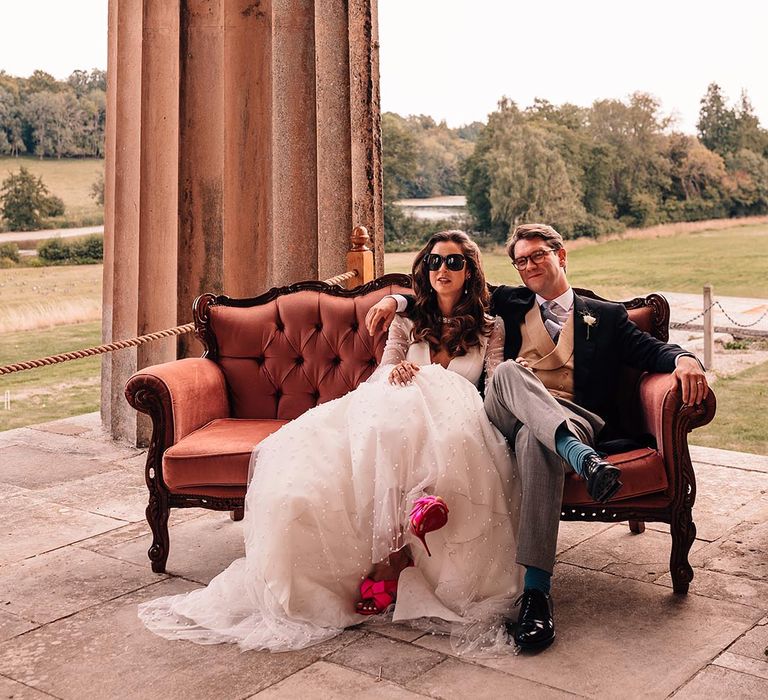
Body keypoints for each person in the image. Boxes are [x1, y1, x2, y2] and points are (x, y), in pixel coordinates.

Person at [138, 230, 523, 653]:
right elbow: (387, 370)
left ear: (469, 271)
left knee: (443, 414)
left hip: (455, 416)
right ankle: (402, 529)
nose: (442, 270)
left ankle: (406, 536)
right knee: (373, 433)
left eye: (453, 263)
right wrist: (397, 369)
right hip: (399, 407)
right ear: (424, 270)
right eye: (434, 262)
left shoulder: (489, 326)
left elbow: (493, 382)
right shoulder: (407, 320)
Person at [365, 223, 709, 652]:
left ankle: (536, 595)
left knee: (534, 439)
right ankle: (579, 457)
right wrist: (394, 298)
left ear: (561, 256)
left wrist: (687, 359)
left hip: (574, 417)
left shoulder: (606, 317)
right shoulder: (509, 302)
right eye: (521, 260)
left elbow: (651, 349)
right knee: (510, 372)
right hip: (501, 413)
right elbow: (444, 286)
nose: (528, 266)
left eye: (537, 256)